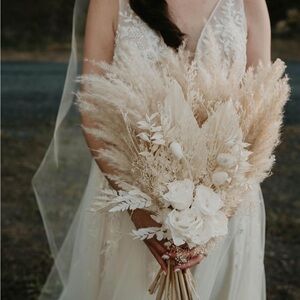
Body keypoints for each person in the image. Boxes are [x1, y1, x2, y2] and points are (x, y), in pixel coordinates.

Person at [32, 0, 270, 299]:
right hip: (132, 192)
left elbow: (261, 107)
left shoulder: (249, 3)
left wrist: (213, 219)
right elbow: (93, 107)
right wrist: (139, 211)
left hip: (225, 201)